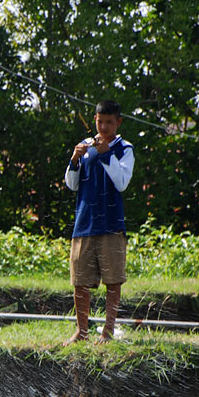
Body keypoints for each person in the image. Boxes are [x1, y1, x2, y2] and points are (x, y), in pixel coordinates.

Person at [64, 100, 134, 344]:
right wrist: (74, 160)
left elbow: (122, 182)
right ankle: (81, 332)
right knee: (80, 281)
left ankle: (108, 331)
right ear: (94, 120)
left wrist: (106, 155)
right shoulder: (84, 147)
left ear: (118, 123)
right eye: (100, 121)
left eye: (109, 122)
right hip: (84, 224)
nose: (104, 127)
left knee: (113, 280)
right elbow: (72, 185)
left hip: (112, 226)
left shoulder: (124, 148)